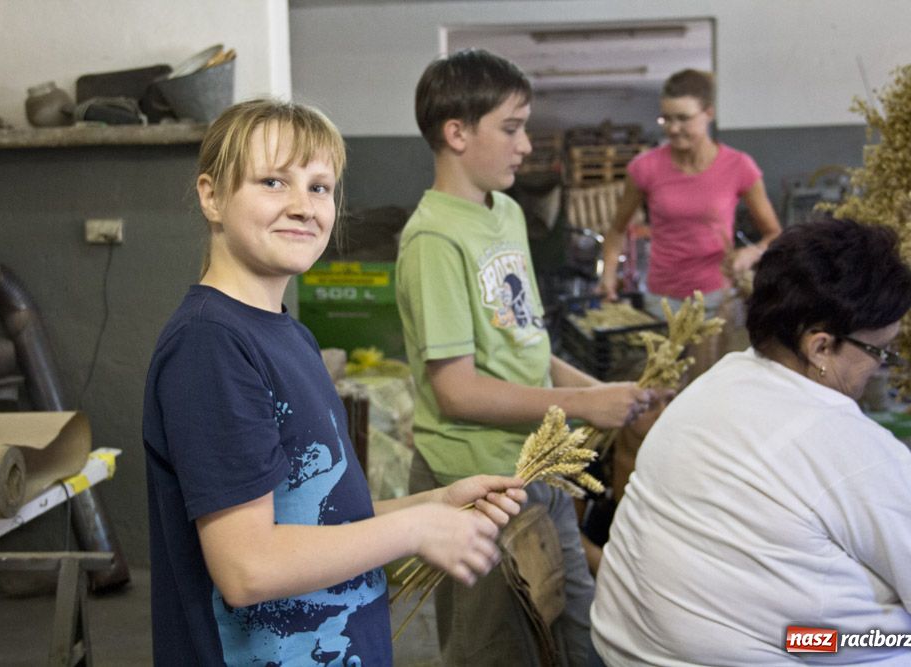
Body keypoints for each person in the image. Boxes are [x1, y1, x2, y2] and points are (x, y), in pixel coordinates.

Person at [142, 99, 529, 667]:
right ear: (212, 196)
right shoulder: (211, 346)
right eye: (274, 182)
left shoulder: (289, 336)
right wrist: (417, 530)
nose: (303, 207)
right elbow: (249, 567)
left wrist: (431, 503)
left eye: (320, 187)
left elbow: (315, 518)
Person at [590, 217, 911, 666]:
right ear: (820, 347)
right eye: (879, 352)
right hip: (779, 648)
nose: (878, 369)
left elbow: (857, 486)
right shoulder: (842, 441)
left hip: (643, 648)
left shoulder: (715, 386)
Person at [395, 48, 657, 666]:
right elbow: (457, 390)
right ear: (456, 133)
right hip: (474, 485)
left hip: (534, 469)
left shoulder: (506, 212)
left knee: (578, 630)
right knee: (494, 650)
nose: (527, 146)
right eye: (511, 129)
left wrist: (604, 395)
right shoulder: (434, 240)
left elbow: (528, 346)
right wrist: (581, 403)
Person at [598, 69, 782, 319]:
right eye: (667, 119)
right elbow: (617, 229)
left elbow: (774, 235)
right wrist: (608, 275)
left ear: (708, 113)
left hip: (719, 298)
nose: (673, 129)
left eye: (683, 118)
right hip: (662, 300)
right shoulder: (645, 167)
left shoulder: (739, 166)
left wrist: (751, 253)